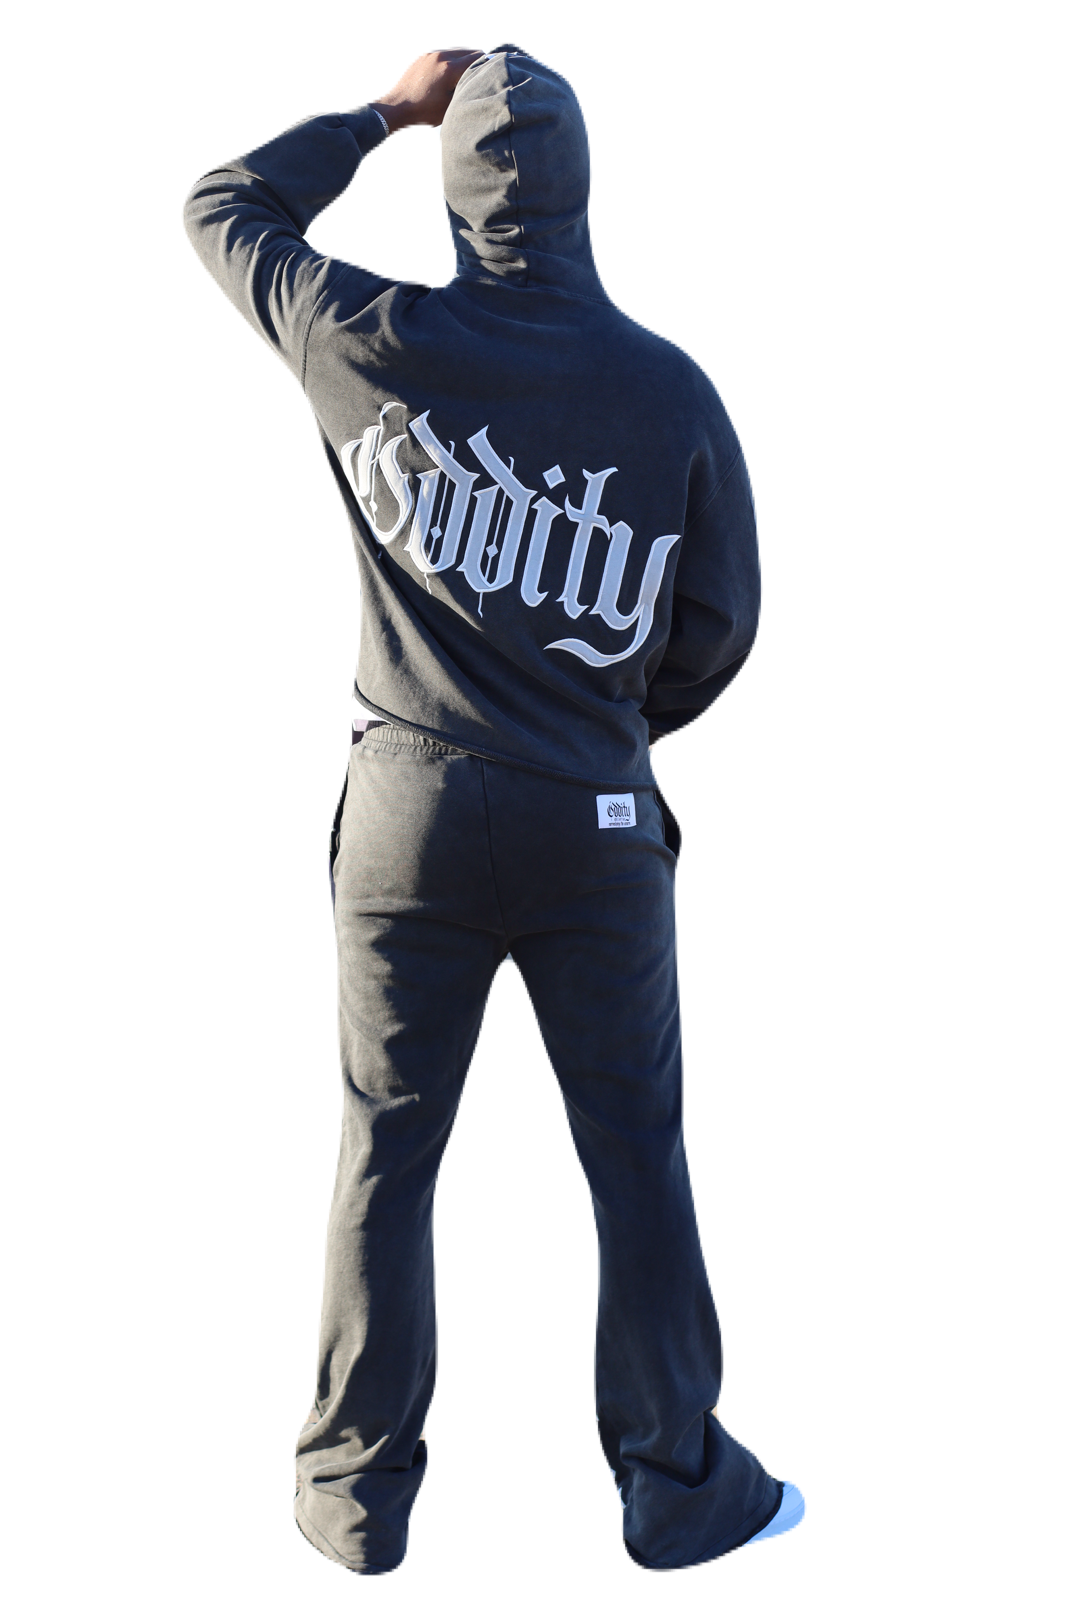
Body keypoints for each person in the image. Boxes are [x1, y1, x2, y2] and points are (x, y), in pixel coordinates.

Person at [182, 42, 801, 1579]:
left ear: (449, 187)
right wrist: (616, 713)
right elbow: (722, 628)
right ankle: (676, 1485)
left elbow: (215, 213)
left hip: (409, 817)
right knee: (633, 1150)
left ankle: (355, 1500)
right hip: (592, 817)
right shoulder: (665, 382)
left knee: (383, 1156)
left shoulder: (366, 329)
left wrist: (378, 118)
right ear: (584, 186)